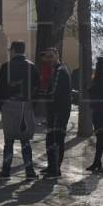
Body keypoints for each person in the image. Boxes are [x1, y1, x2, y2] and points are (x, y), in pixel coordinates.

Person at [0, 41, 40, 179]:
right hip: (25, 106)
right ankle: (29, 171)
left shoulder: (5, 67)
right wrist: (33, 105)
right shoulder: (32, 67)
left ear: (13, 50)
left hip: (9, 105)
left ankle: (6, 171)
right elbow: (37, 88)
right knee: (25, 141)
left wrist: (1, 106)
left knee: (8, 141)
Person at [40, 48, 72, 179]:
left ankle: (55, 169)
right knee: (50, 139)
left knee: (56, 139)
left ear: (57, 55)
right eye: (47, 57)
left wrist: (39, 95)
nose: (49, 59)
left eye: (51, 56)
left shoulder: (60, 70)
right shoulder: (56, 71)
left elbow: (54, 93)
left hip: (60, 111)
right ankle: (51, 166)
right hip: (54, 110)